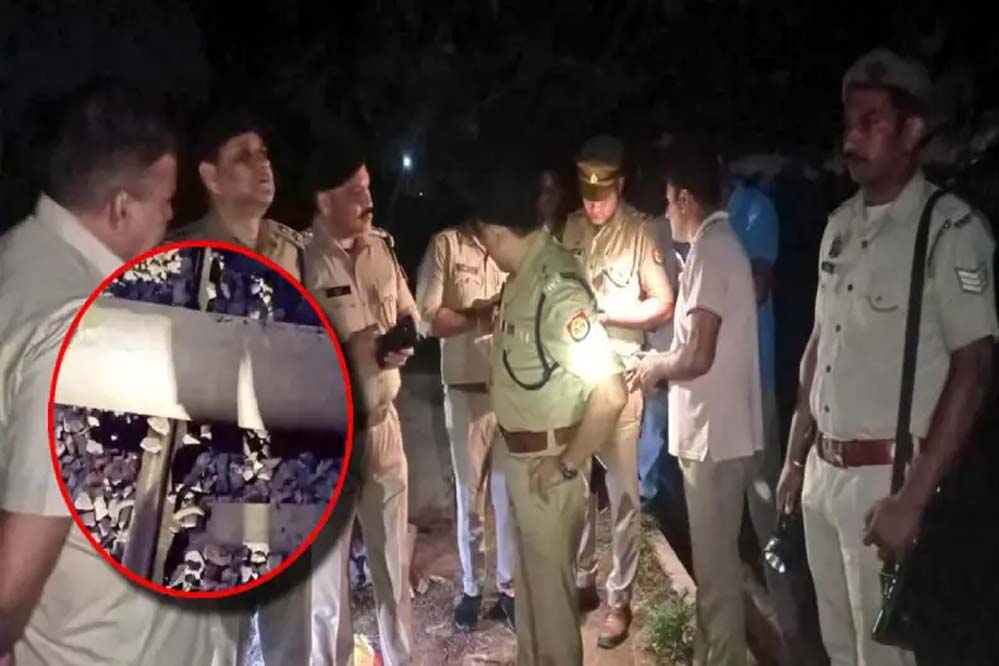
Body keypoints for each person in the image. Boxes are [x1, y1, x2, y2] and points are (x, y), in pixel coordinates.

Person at [775, 48, 997, 666]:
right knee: (839, 646)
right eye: (849, 121)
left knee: (883, 656)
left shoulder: (948, 231)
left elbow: (975, 368)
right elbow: (819, 345)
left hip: (886, 483)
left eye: (871, 122)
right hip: (822, 476)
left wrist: (913, 499)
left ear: (911, 130)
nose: (851, 137)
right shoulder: (840, 225)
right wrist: (795, 457)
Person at [0, 84, 216, 665]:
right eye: (165, 200)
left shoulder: (16, 262)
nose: (171, 215)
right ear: (121, 206)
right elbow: (10, 586)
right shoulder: (83, 330)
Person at [472, 159, 627, 665]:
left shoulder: (554, 288)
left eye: (483, 237)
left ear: (497, 231)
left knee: (553, 614)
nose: (484, 248)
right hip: (521, 463)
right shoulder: (522, 277)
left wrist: (564, 464)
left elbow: (611, 393)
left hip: (548, 470)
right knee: (532, 610)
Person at [632, 136, 763, 666]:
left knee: (716, 576)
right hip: (715, 435)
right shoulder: (715, 248)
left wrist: (653, 367)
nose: (667, 212)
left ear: (685, 199)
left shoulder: (712, 250)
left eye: (669, 202)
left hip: (715, 439)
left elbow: (698, 354)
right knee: (713, 571)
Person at [303, 133, 417, 666]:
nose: (368, 201)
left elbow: (409, 312)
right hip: (331, 439)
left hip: (385, 429)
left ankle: (401, 659)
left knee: (394, 568)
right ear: (325, 200)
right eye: (355, 192)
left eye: (369, 188)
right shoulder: (303, 260)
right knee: (328, 587)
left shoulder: (381, 249)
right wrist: (358, 348)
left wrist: (402, 342)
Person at [559, 134, 674, 647]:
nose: (594, 206)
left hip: (621, 381)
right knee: (577, 487)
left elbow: (663, 303)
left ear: (620, 185)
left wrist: (609, 314)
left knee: (623, 496)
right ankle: (583, 575)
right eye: (587, 196)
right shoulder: (571, 229)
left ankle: (619, 598)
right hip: (574, 385)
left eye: (602, 196)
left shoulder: (640, 232)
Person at [415, 221, 515, 632]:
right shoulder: (446, 246)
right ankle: (473, 589)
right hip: (465, 394)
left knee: (509, 500)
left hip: (511, 392)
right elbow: (426, 318)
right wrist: (477, 316)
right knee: (469, 498)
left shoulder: (511, 243)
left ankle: (509, 590)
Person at [168, 106, 308, 281]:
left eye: (262, 153)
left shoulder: (290, 249)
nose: (263, 163)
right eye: (244, 157)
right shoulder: (179, 255)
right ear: (211, 176)